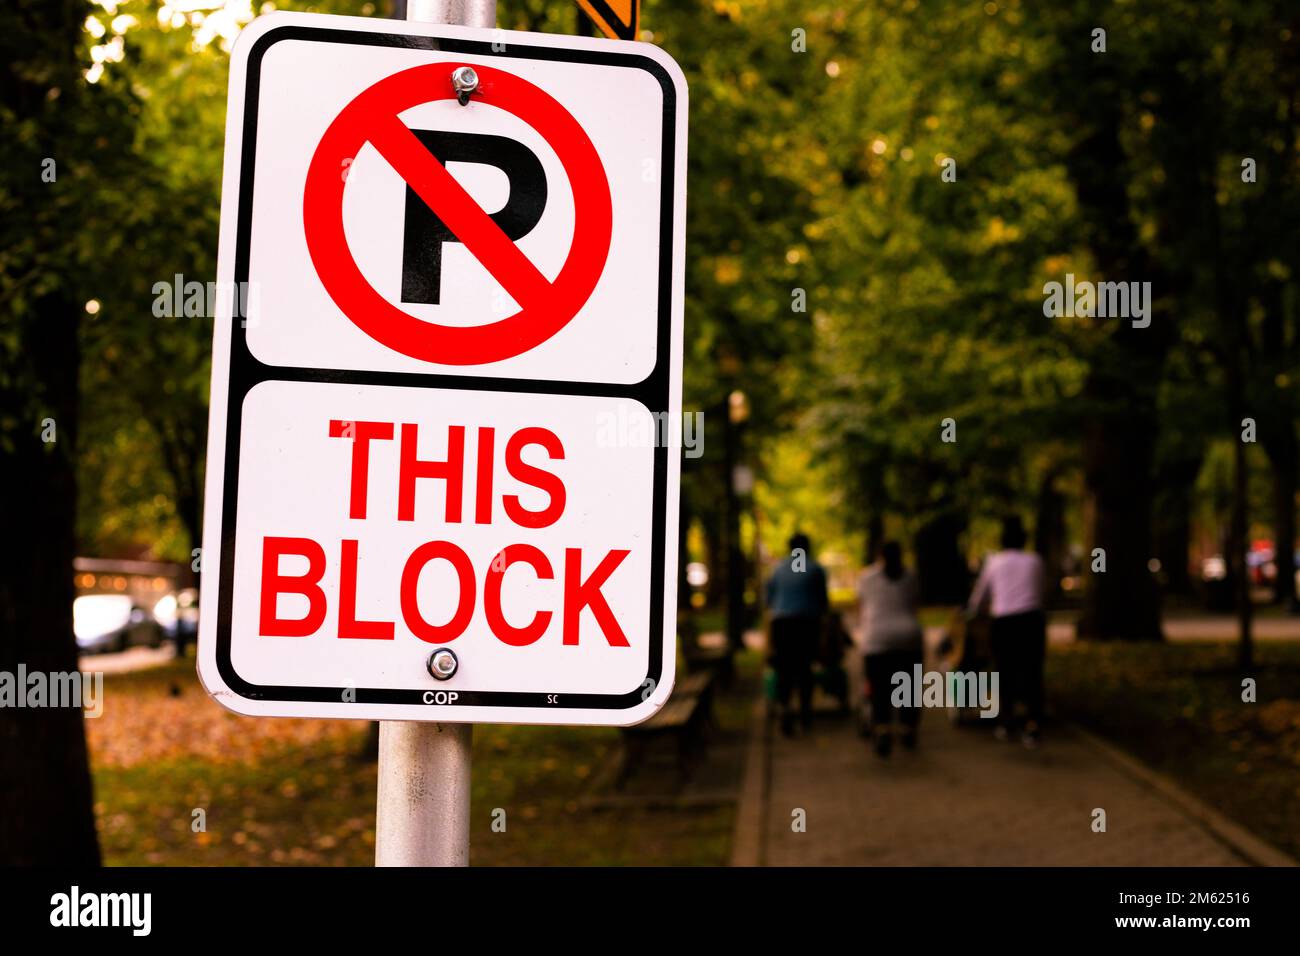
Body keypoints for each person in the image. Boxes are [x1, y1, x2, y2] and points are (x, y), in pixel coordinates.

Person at [967, 516, 1047, 747]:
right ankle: (1033, 723)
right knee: (1033, 671)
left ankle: (1007, 719)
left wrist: (974, 610)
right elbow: (1042, 591)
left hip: (1005, 622)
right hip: (1031, 620)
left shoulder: (994, 562)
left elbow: (979, 598)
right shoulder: (1035, 560)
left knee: (1005, 670)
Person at [855, 541, 924, 757]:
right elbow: (914, 605)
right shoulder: (911, 576)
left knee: (879, 687)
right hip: (908, 637)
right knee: (908, 687)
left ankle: (883, 728)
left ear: (879, 556)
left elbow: (862, 606)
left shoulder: (867, 578)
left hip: (877, 639)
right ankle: (907, 728)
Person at [765, 532, 829, 736]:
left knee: (784, 669)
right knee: (804, 668)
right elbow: (823, 601)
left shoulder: (777, 569)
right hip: (806, 624)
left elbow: (769, 600)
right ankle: (805, 712)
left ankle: (785, 708)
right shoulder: (815, 569)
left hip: (782, 624)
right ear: (807, 547)